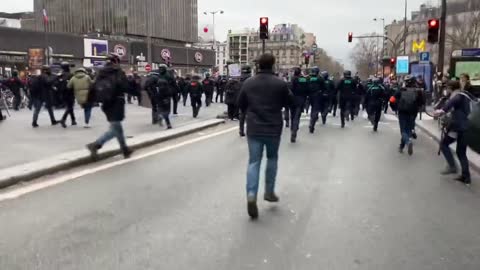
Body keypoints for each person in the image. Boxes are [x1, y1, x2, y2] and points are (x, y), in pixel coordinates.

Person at [237, 53, 293, 219]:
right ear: (273, 65)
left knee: (254, 161)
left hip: (254, 127)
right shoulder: (280, 84)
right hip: (273, 128)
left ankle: (251, 194)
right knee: (272, 158)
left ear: (258, 66)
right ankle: (269, 191)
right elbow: (290, 103)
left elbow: (241, 104)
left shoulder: (248, 83)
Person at [86, 53, 136, 159]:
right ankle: (95, 145)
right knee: (115, 128)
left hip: (106, 104)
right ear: (116, 61)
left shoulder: (101, 73)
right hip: (117, 102)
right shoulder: (118, 71)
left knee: (117, 128)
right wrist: (134, 87)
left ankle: (125, 150)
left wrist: (90, 101)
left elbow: (93, 87)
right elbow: (125, 86)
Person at [435, 80, 476, 185]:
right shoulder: (466, 95)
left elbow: (450, 104)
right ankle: (466, 176)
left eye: (447, 88)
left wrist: (441, 111)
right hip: (468, 127)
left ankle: (452, 166)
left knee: (444, 144)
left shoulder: (458, 96)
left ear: (450, 88)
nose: (446, 90)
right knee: (461, 152)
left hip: (459, 128)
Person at [391, 75, 425, 155]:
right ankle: (402, 146)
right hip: (413, 112)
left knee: (403, 130)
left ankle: (407, 142)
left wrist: (394, 108)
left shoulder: (401, 90)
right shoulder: (418, 91)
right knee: (409, 129)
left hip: (402, 112)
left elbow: (392, 99)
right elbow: (422, 102)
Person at [290, 67, 309, 142]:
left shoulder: (293, 79)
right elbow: (307, 89)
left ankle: (293, 129)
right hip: (301, 100)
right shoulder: (304, 79)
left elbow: (290, 88)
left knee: (292, 115)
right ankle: (295, 129)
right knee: (297, 117)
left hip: (293, 99)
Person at [154, 64, 175, 129]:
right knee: (167, 110)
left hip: (159, 95)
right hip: (167, 95)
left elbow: (155, 85)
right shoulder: (169, 76)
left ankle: (160, 116)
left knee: (160, 108)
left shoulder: (157, 75)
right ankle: (167, 123)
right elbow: (174, 85)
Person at [307, 67, 326, 133]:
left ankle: (311, 121)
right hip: (317, 96)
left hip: (309, 96)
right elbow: (324, 87)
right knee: (315, 110)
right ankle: (312, 123)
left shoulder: (308, 77)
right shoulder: (320, 78)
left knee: (312, 109)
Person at [58, 62, 76, 128]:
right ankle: (63, 119)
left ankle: (73, 120)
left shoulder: (60, 75)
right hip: (70, 92)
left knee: (69, 106)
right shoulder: (71, 75)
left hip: (62, 93)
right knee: (70, 107)